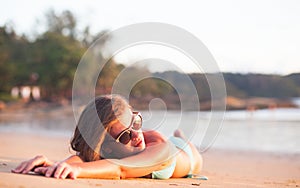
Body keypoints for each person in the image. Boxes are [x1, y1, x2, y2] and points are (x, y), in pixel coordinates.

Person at [12, 95, 203, 179]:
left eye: (136, 122)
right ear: (106, 147)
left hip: (185, 154)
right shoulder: (108, 150)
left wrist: (77, 171)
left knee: (184, 142)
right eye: (126, 135)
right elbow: (84, 159)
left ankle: (181, 135)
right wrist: (53, 164)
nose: (136, 134)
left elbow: (121, 169)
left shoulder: (161, 149)